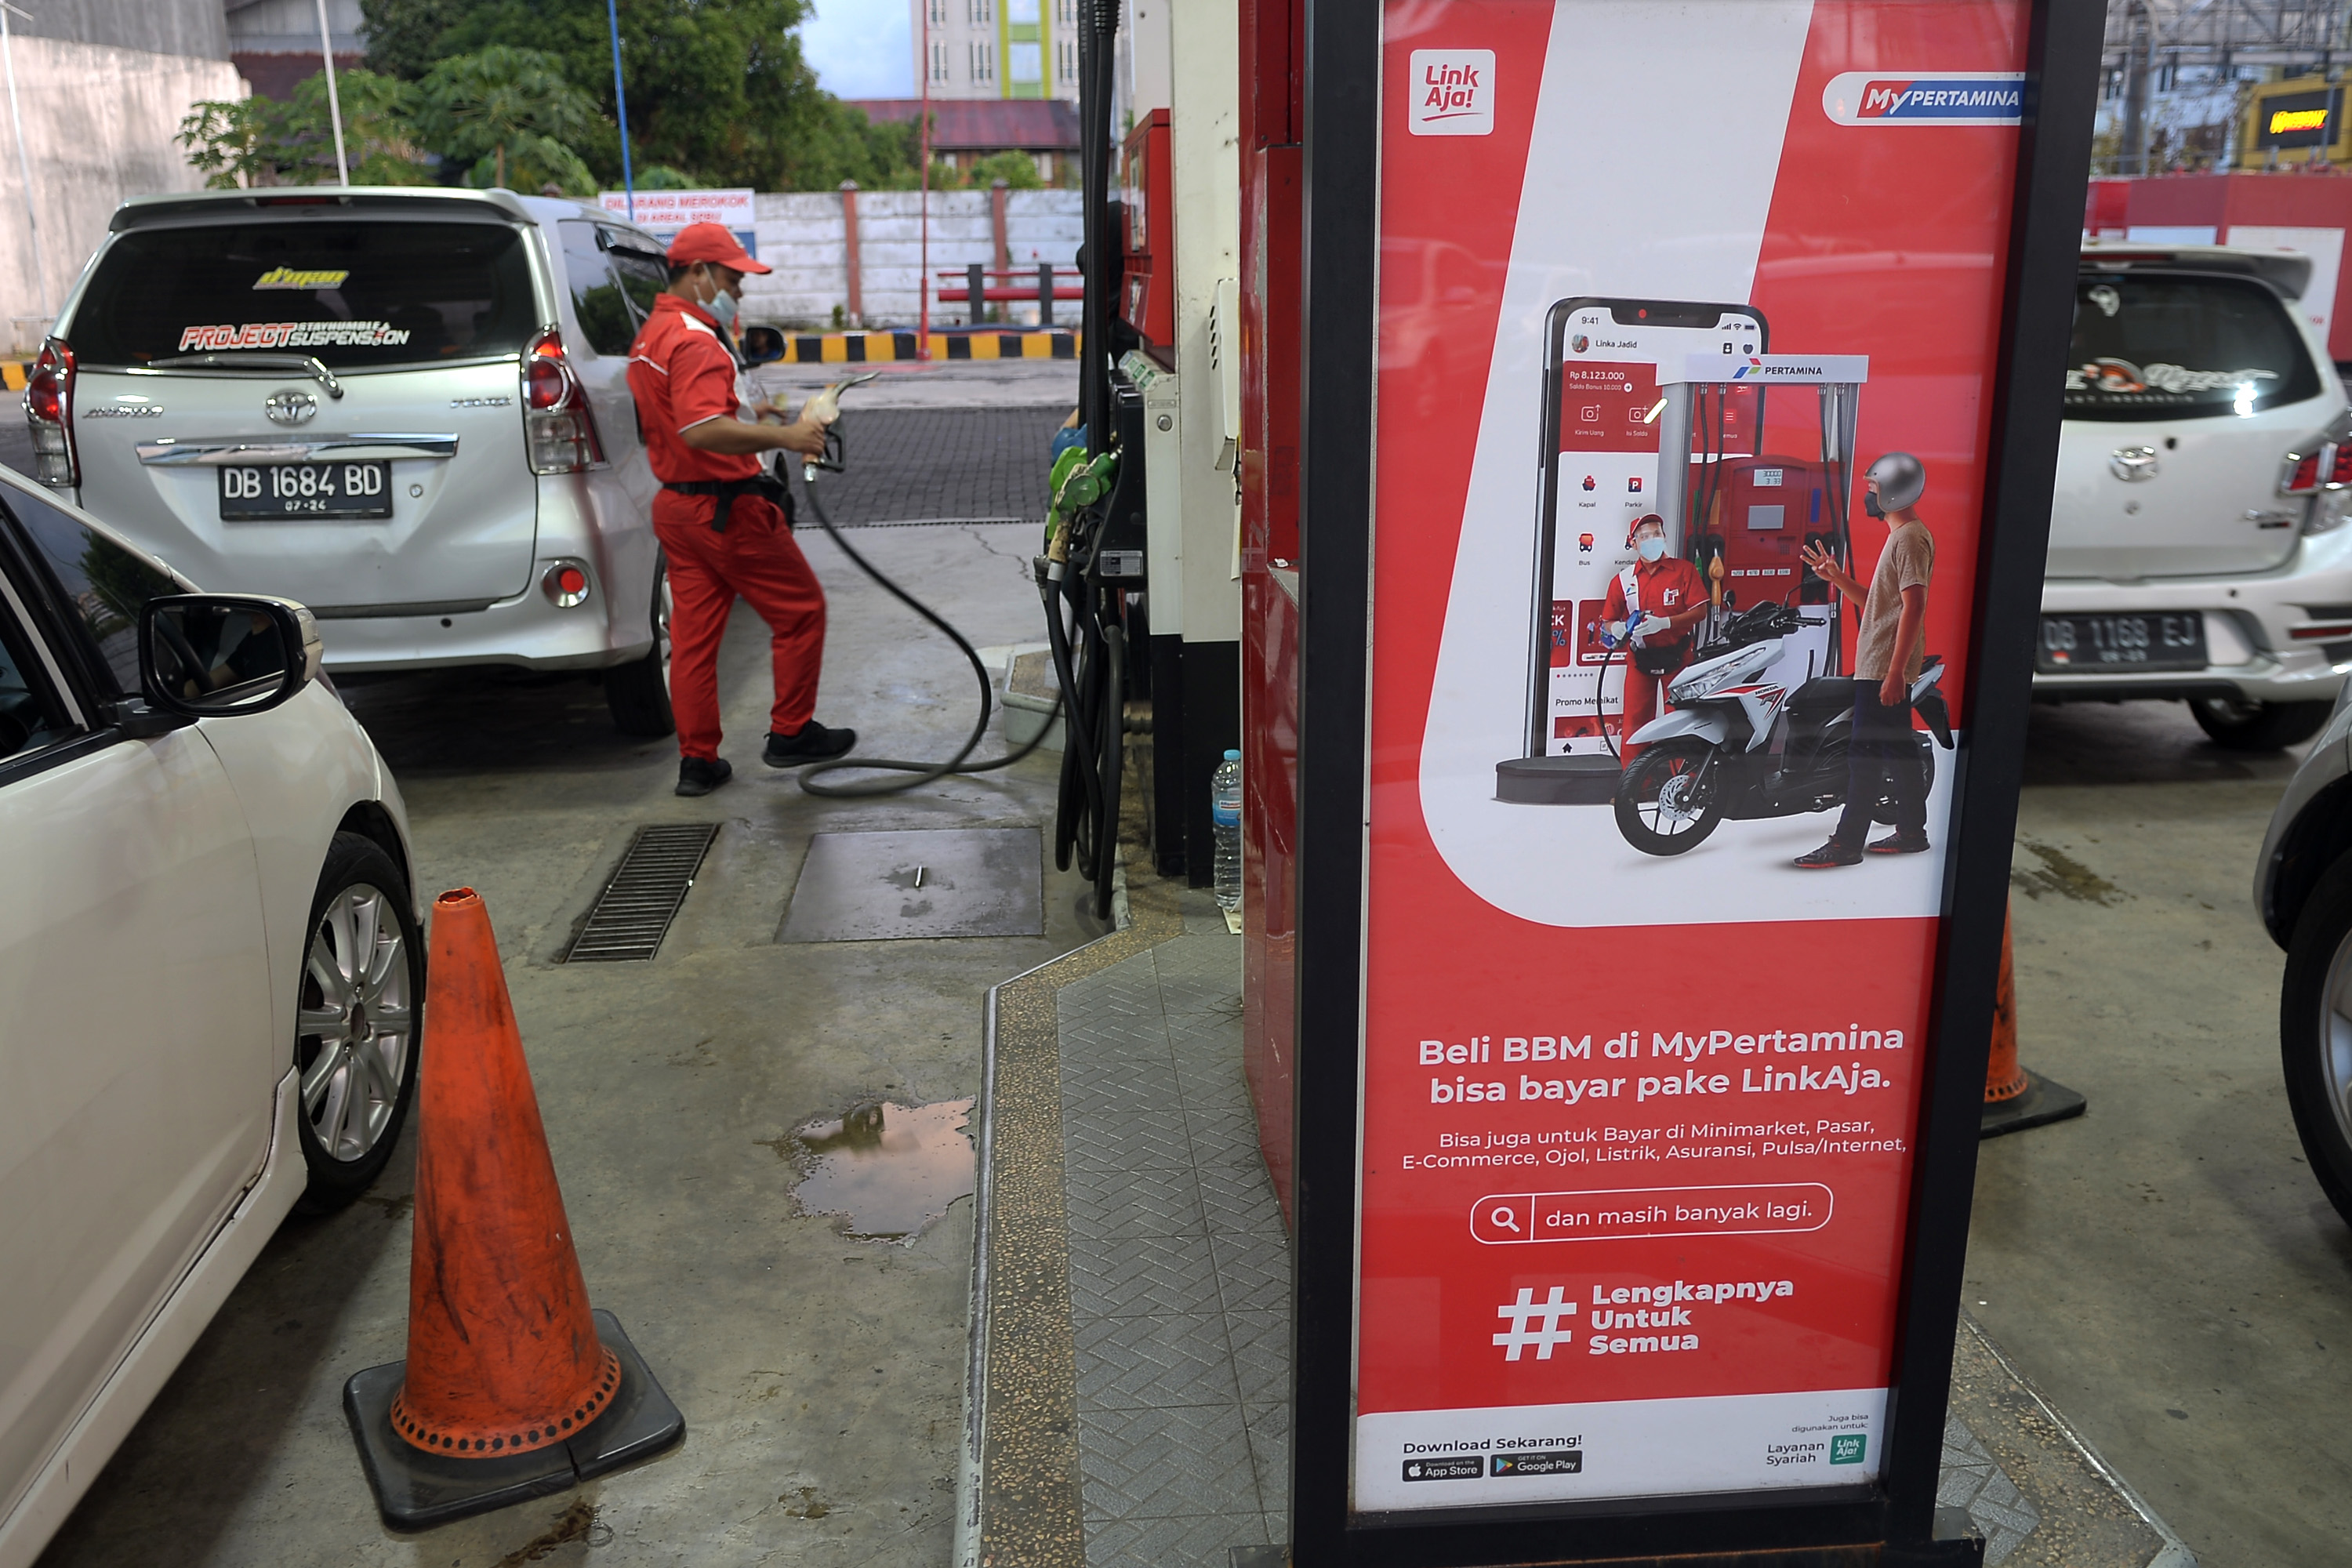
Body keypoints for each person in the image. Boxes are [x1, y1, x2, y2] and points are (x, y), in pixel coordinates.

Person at [626, 221, 857, 797]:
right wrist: (791, 439)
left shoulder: (653, 333)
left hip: (678, 510)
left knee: (695, 640)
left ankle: (698, 762)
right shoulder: (695, 340)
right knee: (801, 610)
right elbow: (702, 429)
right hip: (726, 511)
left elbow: (694, 421)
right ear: (698, 274)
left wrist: (765, 423)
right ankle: (791, 732)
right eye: (732, 277)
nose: (741, 290)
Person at [1793, 452, 1935, 868]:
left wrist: (1894, 673)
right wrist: (1836, 577)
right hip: (1880, 664)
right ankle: (1912, 833)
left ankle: (1846, 843)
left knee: (1863, 755)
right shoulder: (1901, 536)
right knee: (1899, 752)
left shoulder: (1910, 537)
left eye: (1873, 488)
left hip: (1883, 668)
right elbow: (1881, 604)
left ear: (1893, 491)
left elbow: (1914, 607)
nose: (1867, 496)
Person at [1599, 514, 1708, 760]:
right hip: (1641, 660)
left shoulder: (1684, 571)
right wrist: (1616, 628)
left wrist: (1666, 623)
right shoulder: (1623, 580)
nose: (1652, 540)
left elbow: (1700, 611)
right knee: (1635, 723)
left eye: (1656, 534)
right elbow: (1607, 621)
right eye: (1645, 536)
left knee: (1681, 720)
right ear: (1633, 543)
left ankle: (1684, 787)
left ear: (1664, 537)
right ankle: (1633, 786)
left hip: (1678, 658)